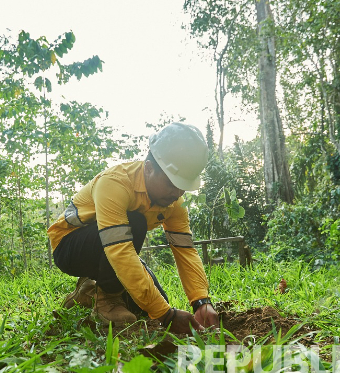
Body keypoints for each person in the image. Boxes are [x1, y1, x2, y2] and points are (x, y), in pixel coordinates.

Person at [47, 122, 219, 333]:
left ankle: (88, 292)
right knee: (136, 222)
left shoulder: (174, 203)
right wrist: (167, 315)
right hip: (70, 247)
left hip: (113, 247)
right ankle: (107, 301)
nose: (177, 193)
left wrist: (201, 301)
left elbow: (185, 251)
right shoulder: (114, 184)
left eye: (182, 186)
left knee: (152, 304)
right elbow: (120, 251)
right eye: (171, 183)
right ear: (149, 168)